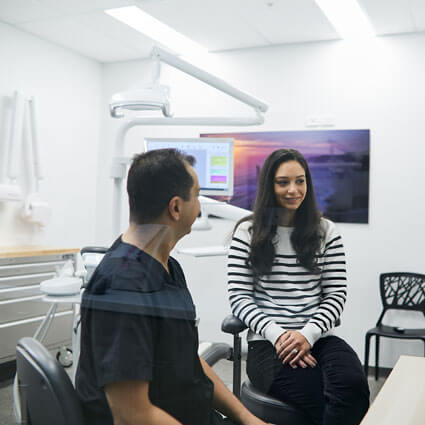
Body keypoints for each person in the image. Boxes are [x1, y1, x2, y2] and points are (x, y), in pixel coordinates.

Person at [76, 149, 267, 425]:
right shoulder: (123, 286)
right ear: (176, 208)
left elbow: (186, 359)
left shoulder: (168, 267)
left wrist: (246, 418)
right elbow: (132, 416)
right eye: (197, 195)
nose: (201, 205)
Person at [227, 148, 370, 425]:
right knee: (318, 394)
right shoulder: (247, 232)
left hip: (319, 337)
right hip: (268, 345)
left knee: (353, 386)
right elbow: (239, 297)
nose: (293, 189)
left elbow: (336, 294)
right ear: (269, 185)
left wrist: (308, 334)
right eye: (283, 182)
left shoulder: (326, 231)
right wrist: (279, 335)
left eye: (300, 181)